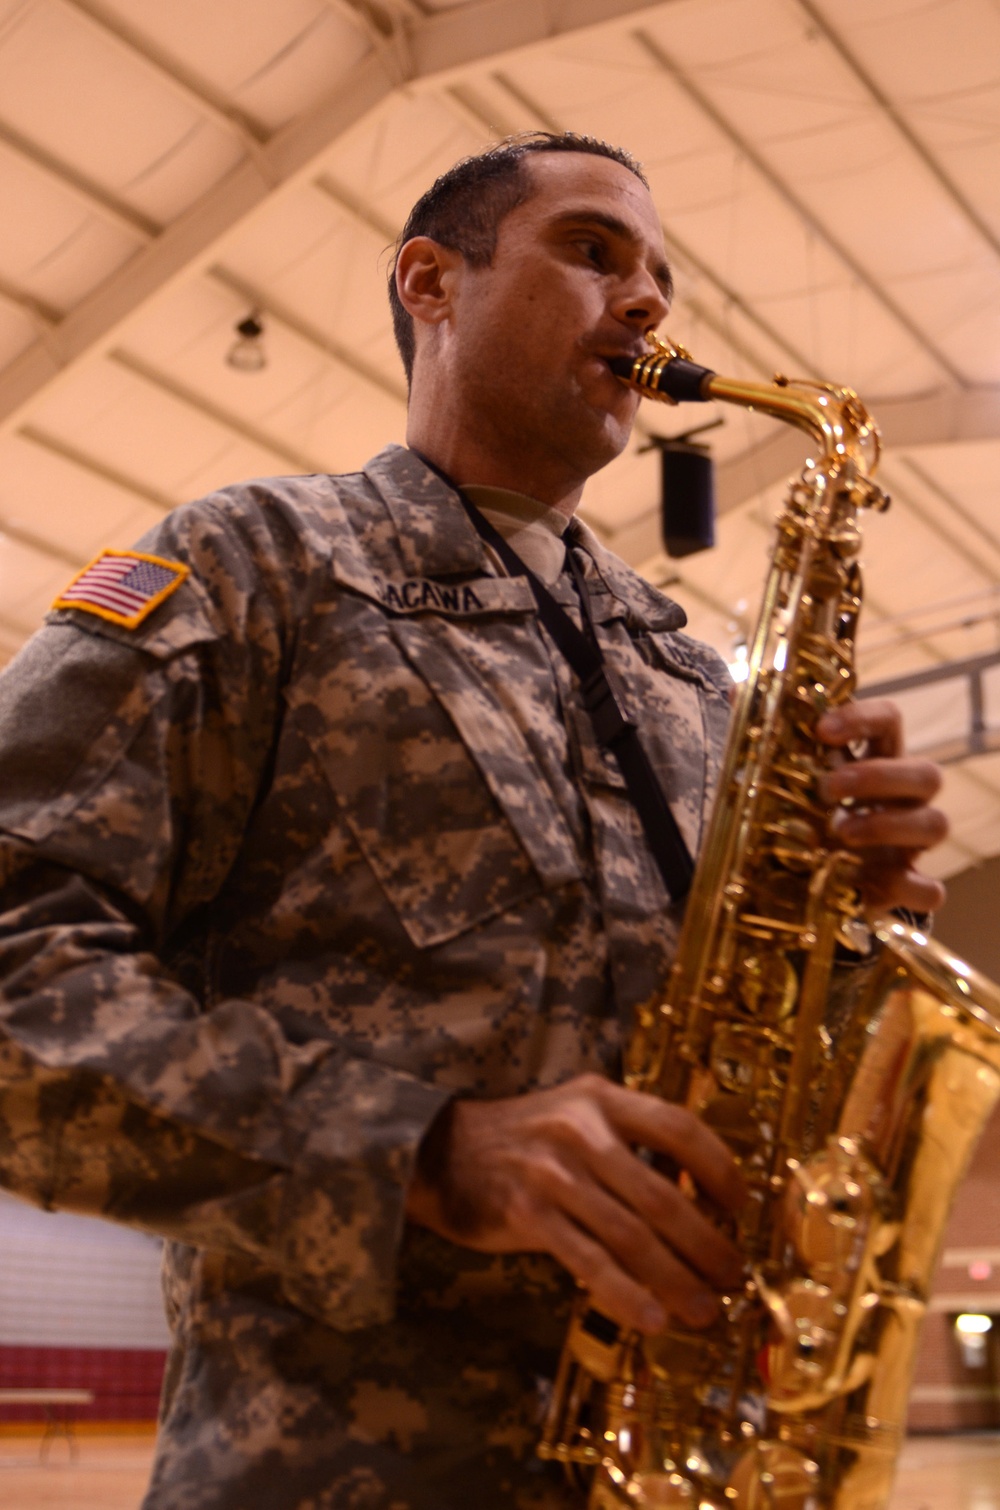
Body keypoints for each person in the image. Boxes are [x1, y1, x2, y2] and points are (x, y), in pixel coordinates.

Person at [0, 133, 946, 1509]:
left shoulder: (688, 682)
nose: (647, 303)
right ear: (431, 281)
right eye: (592, 249)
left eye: (661, 274)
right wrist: (424, 1147)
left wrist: (857, 935)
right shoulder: (257, 566)